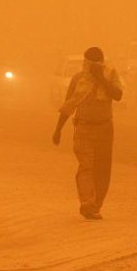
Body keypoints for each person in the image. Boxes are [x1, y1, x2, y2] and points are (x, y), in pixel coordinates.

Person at [52, 47, 123, 220]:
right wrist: (58, 129)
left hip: (105, 128)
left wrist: (100, 78)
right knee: (86, 166)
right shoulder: (78, 79)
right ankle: (86, 202)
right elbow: (69, 104)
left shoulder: (111, 75)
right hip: (83, 128)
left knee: (103, 169)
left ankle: (95, 205)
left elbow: (117, 95)